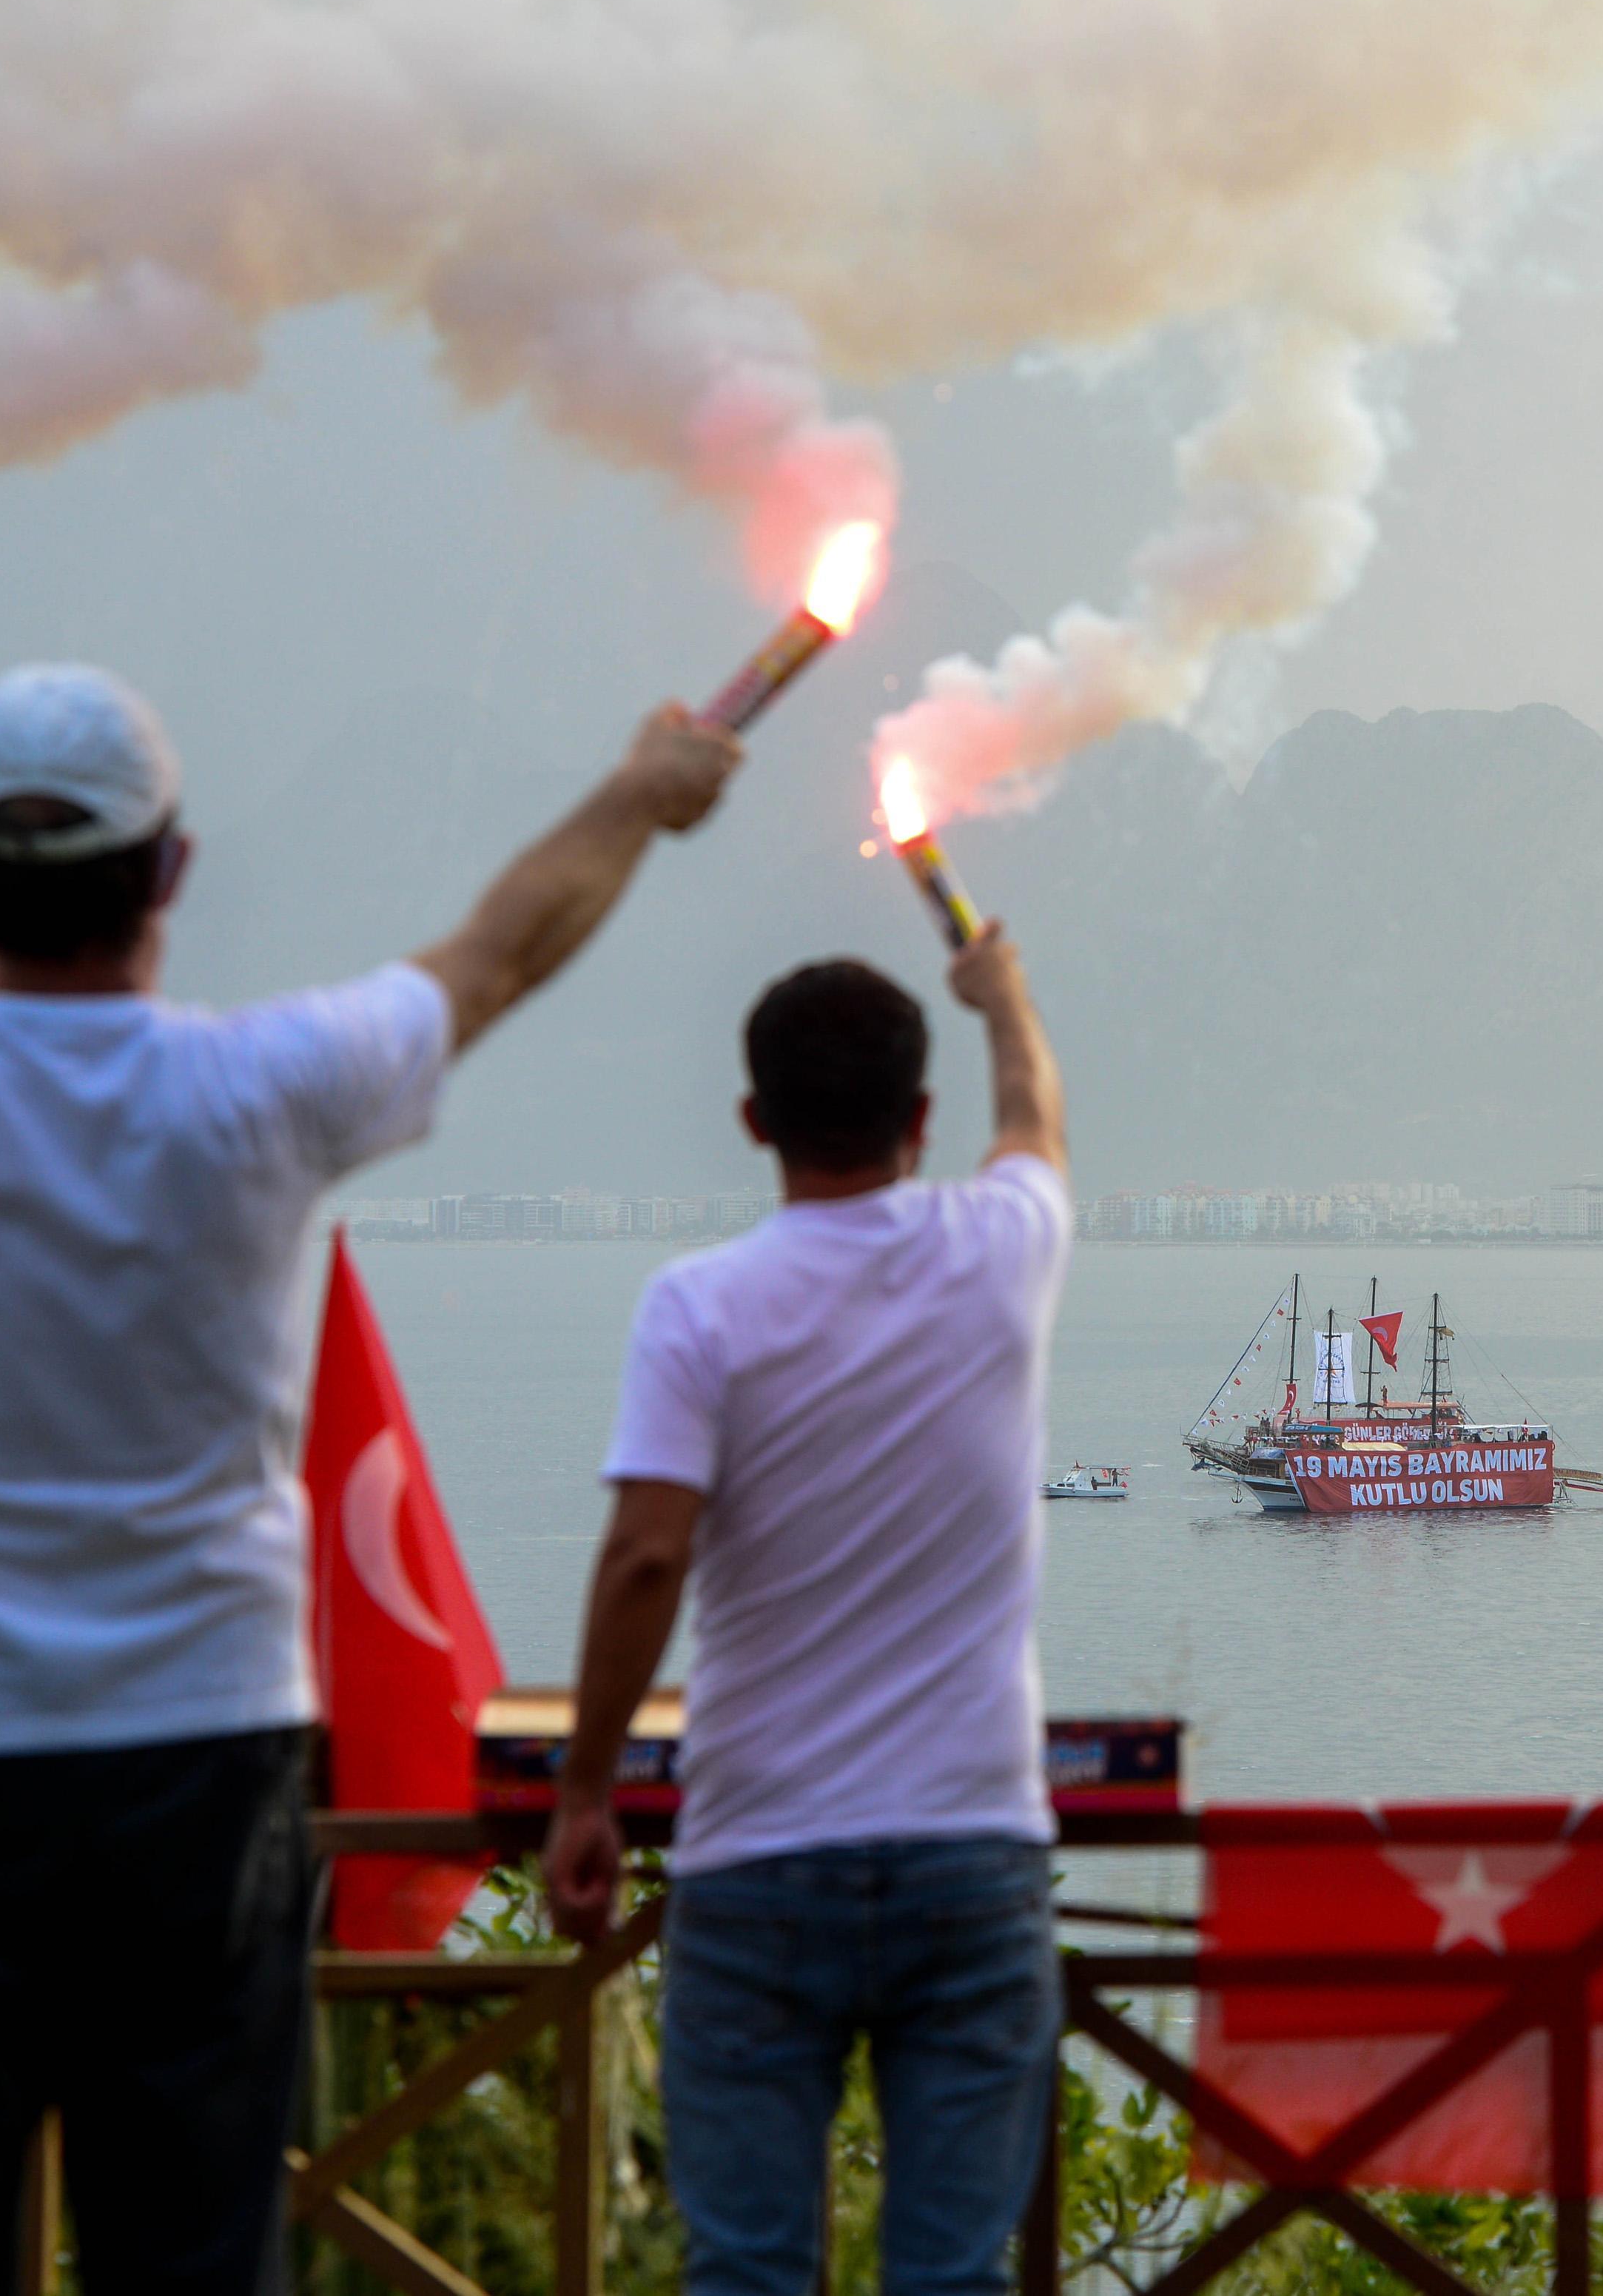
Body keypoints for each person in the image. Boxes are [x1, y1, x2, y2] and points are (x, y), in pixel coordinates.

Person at [0, 664, 740, 2292]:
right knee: (192, 2254)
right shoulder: (259, 1089)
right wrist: (646, 791)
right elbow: (501, 952)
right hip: (199, 1768)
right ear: (173, 872)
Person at [545, 929, 1071, 2296]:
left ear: (752, 1120)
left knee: (752, 2272)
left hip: (760, 1855)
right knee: (953, 2279)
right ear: (919, 1121)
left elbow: (646, 1558)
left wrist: (587, 1789)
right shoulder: (1003, 1252)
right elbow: (1036, 1121)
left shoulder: (700, 1308)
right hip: (971, 1852)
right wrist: (1002, 996)